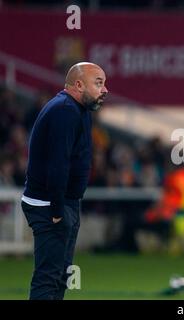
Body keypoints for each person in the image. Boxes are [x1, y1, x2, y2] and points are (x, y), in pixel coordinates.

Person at [21, 62, 108, 300]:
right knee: (49, 277)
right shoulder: (65, 110)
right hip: (51, 204)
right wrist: (58, 209)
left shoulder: (76, 109)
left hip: (64, 203)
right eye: (98, 83)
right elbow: (58, 163)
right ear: (79, 85)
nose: (105, 89)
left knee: (60, 277)